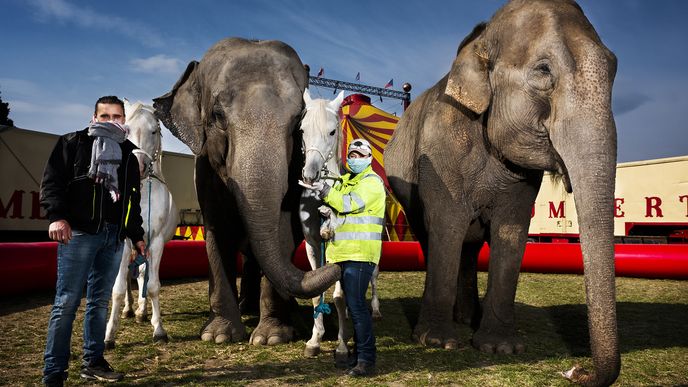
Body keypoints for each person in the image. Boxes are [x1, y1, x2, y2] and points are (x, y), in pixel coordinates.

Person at [40, 96, 146, 386]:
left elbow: (130, 201)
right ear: (94, 117)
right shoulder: (72, 144)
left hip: (113, 238)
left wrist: (136, 236)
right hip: (79, 234)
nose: (112, 122)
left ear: (124, 120)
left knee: (99, 302)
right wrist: (57, 217)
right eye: (105, 116)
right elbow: (52, 183)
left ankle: (93, 362)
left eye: (117, 117)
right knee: (66, 303)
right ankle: (54, 374)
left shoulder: (129, 155)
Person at [303, 138, 386, 377]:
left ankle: (367, 360)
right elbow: (338, 208)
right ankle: (359, 355)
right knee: (353, 305)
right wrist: (327, 208)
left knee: (358, 307)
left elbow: (348, 204)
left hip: (361, 254)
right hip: (341, 253)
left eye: (360, 155)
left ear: (369, 158)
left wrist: (327, 193)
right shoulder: (345, 181)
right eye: (352, 154)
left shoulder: (371, 183)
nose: (355, 159)